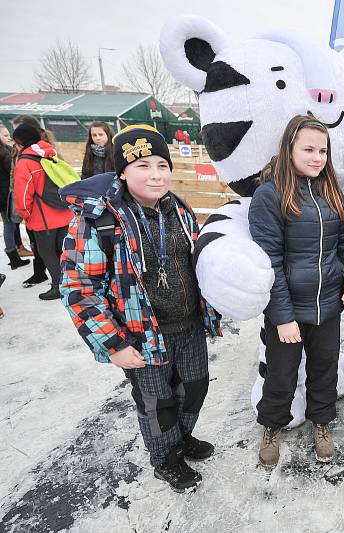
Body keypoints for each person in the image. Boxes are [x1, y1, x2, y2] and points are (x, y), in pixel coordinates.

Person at [59, 124, 222, 493]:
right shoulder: (100, 220)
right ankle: (166, 458)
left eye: (162, 165)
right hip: (142, 334)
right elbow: (78, 287)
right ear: (122, 173)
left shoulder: (177, 208)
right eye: (143, 165)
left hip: (188, 324)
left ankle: (180, 438)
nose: (155, 174)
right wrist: (113, 343)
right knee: (158, 402)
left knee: (194, 388)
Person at [250, 115, 344, 469]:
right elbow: (270, 262)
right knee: (282, 371)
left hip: (327, 305)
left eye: (323, 151)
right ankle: (272, 426)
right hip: (288, 308)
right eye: (309, 149)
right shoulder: (270, 195)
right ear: (289, 149)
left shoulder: (331, 192)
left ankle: (322, 422)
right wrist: (282, 317)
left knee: (324, 367)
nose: (317, 157)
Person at [12, 123, 73, 300]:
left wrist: (25, 215)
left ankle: (59, 286)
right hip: (63, 211)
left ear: (21, 143)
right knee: (64, 252)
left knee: (47, 253)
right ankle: (72, 282)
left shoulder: (25, 162)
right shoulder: (50, 153)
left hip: (44, 218)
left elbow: (23, 195)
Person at [1, 125, 30, 270]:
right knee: (9, 224)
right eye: (5, 135)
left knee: (11, 224)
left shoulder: (6, 151)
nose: (9, 138)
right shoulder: (4, 153)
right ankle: (13, 257)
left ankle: (16, 253)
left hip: (5, 194)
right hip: (5, 196)